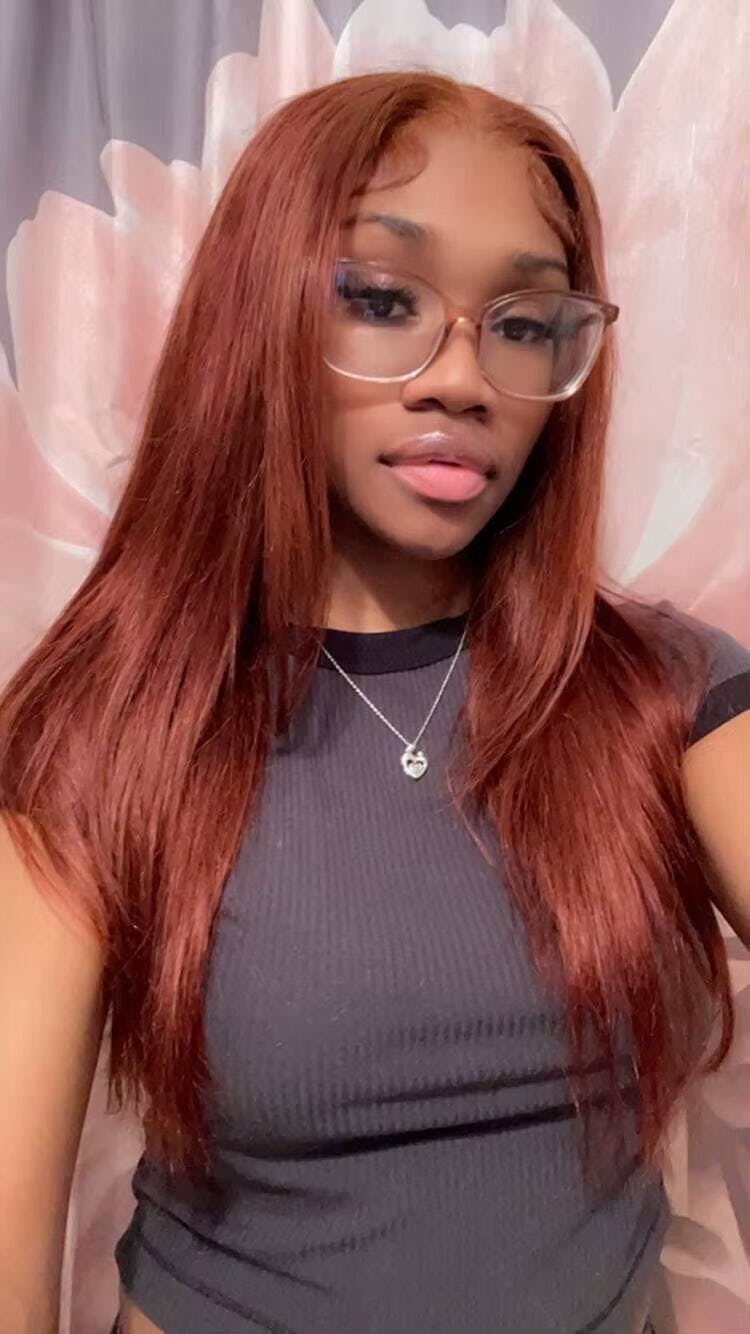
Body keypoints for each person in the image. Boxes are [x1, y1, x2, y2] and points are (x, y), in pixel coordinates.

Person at [0, 70, 748, 1334]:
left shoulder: (662, 695)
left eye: (525, 321)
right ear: (263, 316)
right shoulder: (111, 726)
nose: (465, 377)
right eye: (383, 299)